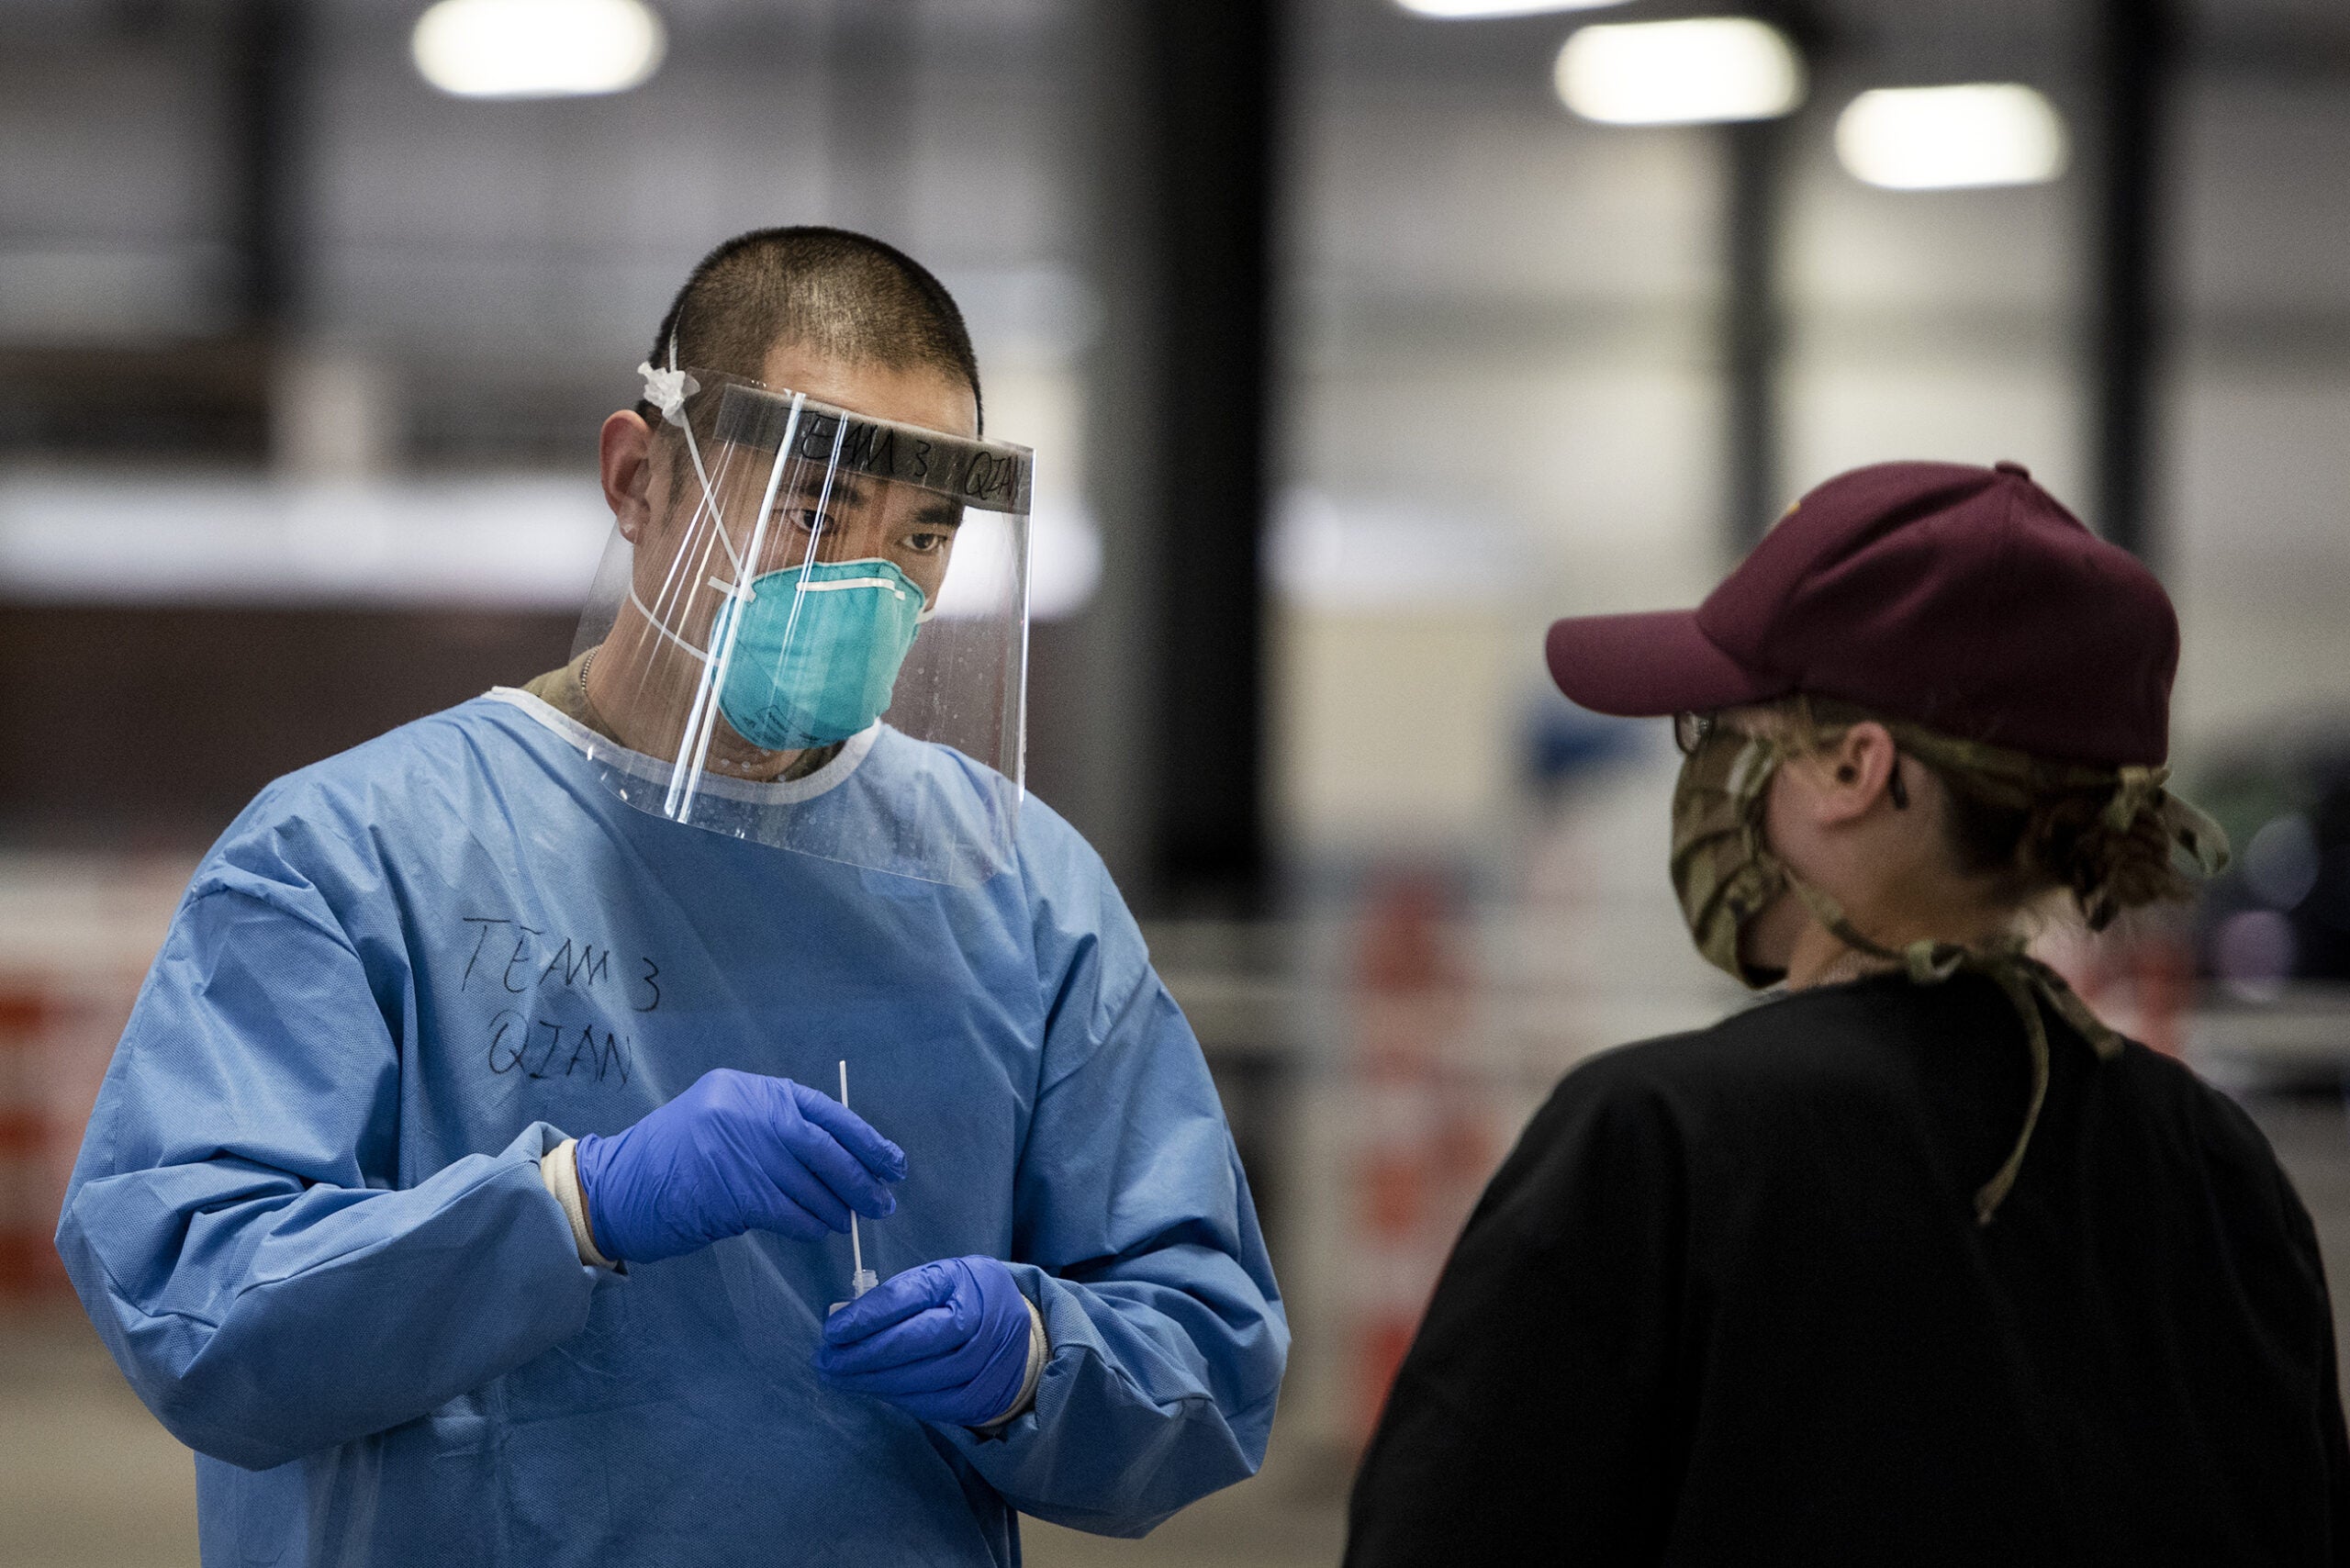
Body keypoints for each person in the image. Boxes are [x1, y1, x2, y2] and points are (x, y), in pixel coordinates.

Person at [56, 227, 1287, 1567]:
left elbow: (1207, 1348)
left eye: (922, 534)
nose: (870, 585)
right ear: (639, 479)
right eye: (816, 510)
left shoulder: (1021, 892)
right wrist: (573, 1211)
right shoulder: (351, 858)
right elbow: (195, 1307)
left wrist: (1037, 1360)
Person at [1346, 460, 2350, 1564]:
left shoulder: (1656, 1146)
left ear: (1851, 767)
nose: (1708, 778)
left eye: (1720, 731)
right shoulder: (2218, 1176)